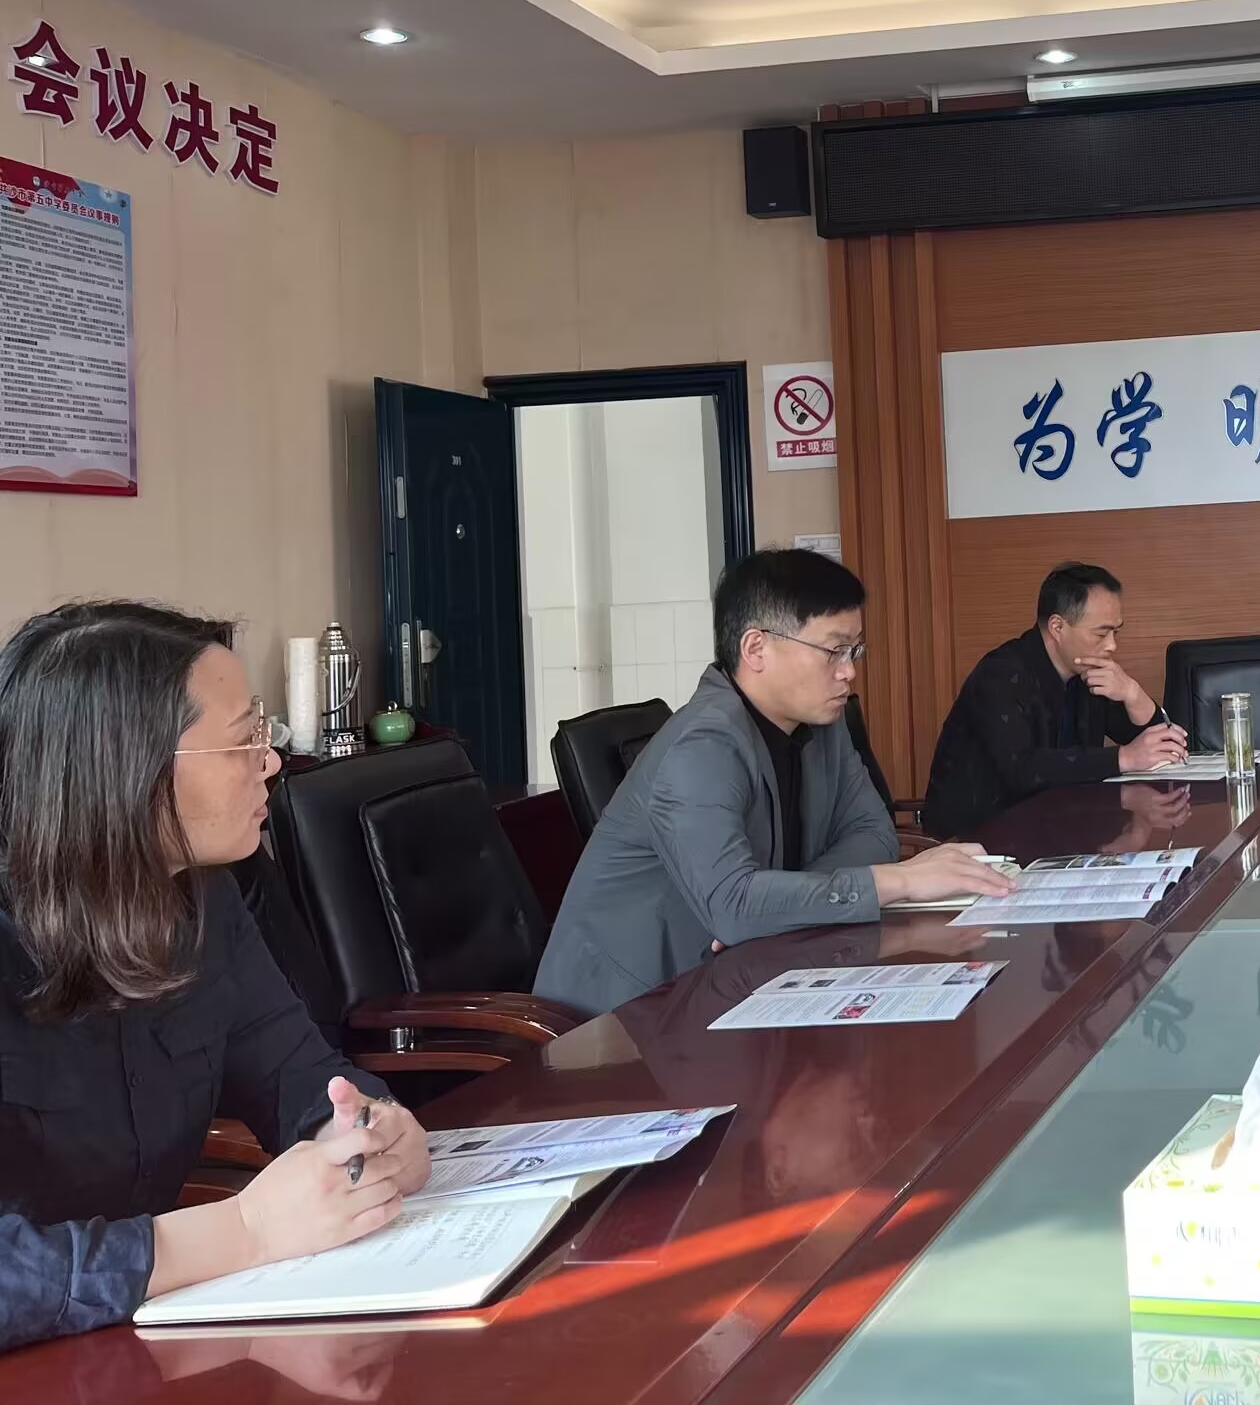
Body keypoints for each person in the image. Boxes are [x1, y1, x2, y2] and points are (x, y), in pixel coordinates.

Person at [0, 602, 430, 1351]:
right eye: (245, 739)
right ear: (128, 773)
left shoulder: (206, 900)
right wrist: (243, 1230)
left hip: (139, 1346)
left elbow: (299, 1074)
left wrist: (367, 1130)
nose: (271, 761)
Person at [536, 550, 1012, 1017]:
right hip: (623, 1017)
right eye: (833, 650)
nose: (849, 670)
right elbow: (734, 907)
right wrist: (899, 882)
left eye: (854, 650)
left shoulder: (823, 723)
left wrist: (776, 906)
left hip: (733, 980)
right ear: (756, 649)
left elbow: (874, 832)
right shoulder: (701, 746)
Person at [922, 563, 1189, 839]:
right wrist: (1124, 757)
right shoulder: (1001, 675)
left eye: (1116, 632)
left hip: (1060, 828)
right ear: (1057, 627)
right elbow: (1023, 770)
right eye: (1101, 634)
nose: (1112, 645)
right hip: (980, 839)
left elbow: (1161, 748)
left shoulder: (1088, 673)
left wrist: (1133, 693)